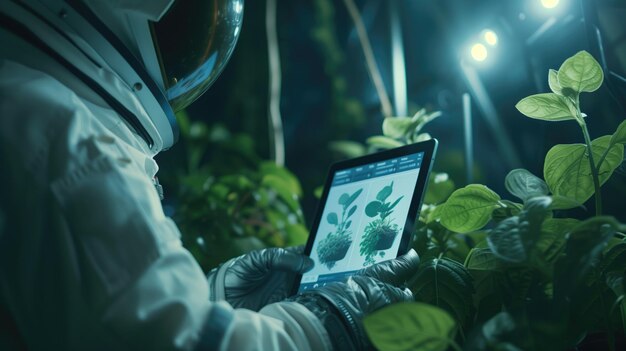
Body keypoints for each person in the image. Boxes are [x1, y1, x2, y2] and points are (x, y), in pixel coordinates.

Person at [0, 0, 420, 350]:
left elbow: (92, 313)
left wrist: (217, 295)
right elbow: (180, 343)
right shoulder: (68, 137)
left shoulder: (27, 101)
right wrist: (328, 323)